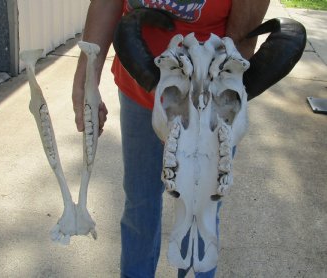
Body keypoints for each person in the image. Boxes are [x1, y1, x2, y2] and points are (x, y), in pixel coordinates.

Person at [72, 1, 270, 277]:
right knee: (140, 203)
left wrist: (223, 97)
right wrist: (86, 75)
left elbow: (243, 34)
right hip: (140, 84)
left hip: (210, 95)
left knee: (202, 209)